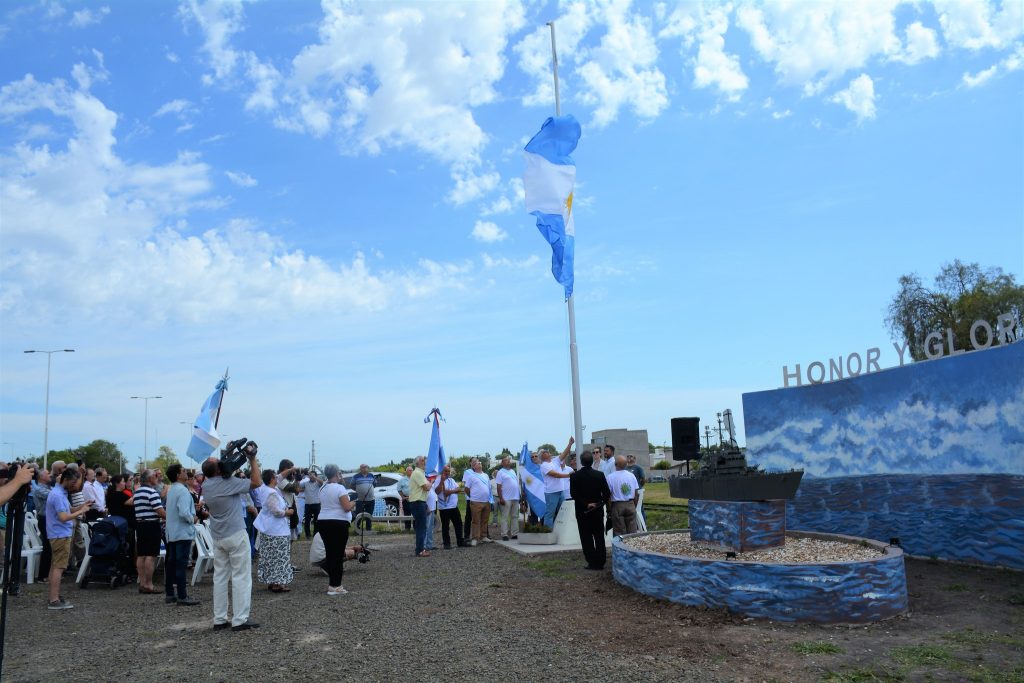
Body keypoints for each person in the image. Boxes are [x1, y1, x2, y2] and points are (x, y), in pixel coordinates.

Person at [202, 449, 262, 631]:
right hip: (235, 533)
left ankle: (219, 618)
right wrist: (252, 459)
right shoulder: (227, 483)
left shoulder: (206, 485)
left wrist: (228, 455)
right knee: (241, 576)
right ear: (219, 470)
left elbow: (222, 470)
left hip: (218, 536)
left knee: (220, 578)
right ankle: (240, 619)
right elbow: (256, 482)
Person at [45, 468, 90, 609]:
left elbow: (69, 510)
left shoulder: (61, 493)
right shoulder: (58, 495)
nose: (76, 486)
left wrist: (82, 506)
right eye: (74, 483)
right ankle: (54, 600)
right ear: (67, 480)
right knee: (59, 567)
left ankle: (54, 595)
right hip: (60, 534)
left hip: (58, 534)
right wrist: (81, 511)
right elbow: (63, 517)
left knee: (55, 565)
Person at [164, 464, 200, 606]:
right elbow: (184, 512)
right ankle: (182, 596)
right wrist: (193, 518)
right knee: (180, 565)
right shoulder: (183, 491)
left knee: (171, 564)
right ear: (178, 475)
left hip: (172, 532)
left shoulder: (172, 490)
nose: (186, 472)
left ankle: (170, 593)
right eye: (184, 471)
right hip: (183, 532)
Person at [569, 452, 611, 571]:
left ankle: (591, 562)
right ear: (592, 461)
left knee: (586, 537)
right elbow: (607, 493)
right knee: (599, 536)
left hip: (582, 512)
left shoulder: (575, 476)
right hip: (597, 512)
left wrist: (586, 504)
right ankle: (601, 561)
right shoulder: (599, 475)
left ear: (581, 462)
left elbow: (574, 494)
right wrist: (598, 503)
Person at [254, 469, 295, 593]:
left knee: (270, 556)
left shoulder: (263, 488)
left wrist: (291, 470)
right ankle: (277, 583)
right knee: (279, 557)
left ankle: (272, 580)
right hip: (276, 529)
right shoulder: (271, 492)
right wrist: (288, 512)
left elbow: (280, 476)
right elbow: (276, 511)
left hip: (268, 528)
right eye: (275, 477)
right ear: (272, 479)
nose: (277, 479)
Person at [318, 464, 355, 595]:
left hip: (323, 521)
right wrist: (354, 502)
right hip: (338, 522)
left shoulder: (322, 488)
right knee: (338, 554)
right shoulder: (340, 488)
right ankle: (336, 585)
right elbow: (346, 507)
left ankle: (332, 584)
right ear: (337, 474)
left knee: (330, 552)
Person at [133, 468, 166, 594]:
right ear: (150, 478)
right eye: (155, 475)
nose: (157, 477)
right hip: (151, 524)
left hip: (140, 524)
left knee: (141, 555)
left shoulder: (137, 492)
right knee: (150, 556)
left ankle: (142, 583)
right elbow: (160, 511)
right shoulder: (152, 492)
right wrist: (172, 517)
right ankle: (149, 584)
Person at [539, 437, 574, 528]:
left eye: (546, 451)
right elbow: (555, 475)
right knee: (550, 513)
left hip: (560, 491)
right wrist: (568, 475)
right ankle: (548, 532)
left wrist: (570, 444)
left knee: (563, 512)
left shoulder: (555, 461)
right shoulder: (544, 465)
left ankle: (561, 531)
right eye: (544, 452)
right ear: (542, 456)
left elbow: (564, 454)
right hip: (551, 492)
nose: (547, 452)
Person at [606, 455, 640, 536]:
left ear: (615, 464)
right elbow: (636, 494)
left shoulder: (610, 477)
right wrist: (633, 505)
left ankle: (621, 548)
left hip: (617, 506)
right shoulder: (631, 476)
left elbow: (608, 496)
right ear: (626, 464)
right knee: (632, 532)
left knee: (619, 532)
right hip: (630, 504)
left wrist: (609, 510)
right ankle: (631, 548)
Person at [462, 458, 492, 546]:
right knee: (475, 521)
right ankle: (475, 538)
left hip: (486, 501)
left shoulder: (486, 475)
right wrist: (472, 496)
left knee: (485, 520)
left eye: (480, 462)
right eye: (477, 463)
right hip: (476, 502)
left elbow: (489, 487)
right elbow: (466, 489)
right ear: (474, 467)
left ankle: (484, 536)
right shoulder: (471, 476)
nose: (479, 463)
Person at [30, 466, 52, 582]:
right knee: (47, 547)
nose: (50, 476)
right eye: (48, 474)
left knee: (50, 546)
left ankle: (47, 573)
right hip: (44, 519)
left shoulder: (48, 487)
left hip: (48, 519)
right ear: (41, 477)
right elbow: (53, 496)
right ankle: (42, 575)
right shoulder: (39, 489)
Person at [435, 465, 465, 549]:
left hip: (454, 507)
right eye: (445, 471)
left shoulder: (451, 480)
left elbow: (459, 489)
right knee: (445, 526)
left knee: (458, 524)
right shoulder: (438, 480)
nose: (447, 473)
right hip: (444, 508)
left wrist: (450, 492)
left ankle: (460, 542)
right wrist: (441, 481)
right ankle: (447, 544)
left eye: (448, 471)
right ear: (442, 471)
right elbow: (437, 491)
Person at [408, 456, 431, 556]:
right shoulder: (418, 473)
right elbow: (426, 487)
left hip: (419, 502)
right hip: (418, 503)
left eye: (424, 460)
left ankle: (420, 549)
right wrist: (432, 482)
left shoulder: (420, 473)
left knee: (421, 527)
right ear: (417, 463)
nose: (425, 462)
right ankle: (420, 551)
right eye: (422, 460)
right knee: (421, 527)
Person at [495, 456, 520, 541]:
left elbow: (516, 483)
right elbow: (499, 486)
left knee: (515, 516)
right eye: (506, 461)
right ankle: (504, 534)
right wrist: (501, 498)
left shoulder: (513, 471)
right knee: (505, 516)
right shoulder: (500, 472)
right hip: (506, 498)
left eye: (509, 461)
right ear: (502, 463)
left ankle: (514, 533)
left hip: (515, 497)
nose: (508, 462)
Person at [276, 460, 300, 542]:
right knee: (286, 532)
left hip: (292, 506)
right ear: (285, 468)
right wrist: (297, 479)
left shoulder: (289, 480)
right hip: (285, 508)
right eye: (290, 469)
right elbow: (293, 488)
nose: (292, 472)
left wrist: (295, 479)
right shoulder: (279, 479)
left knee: (292, 530)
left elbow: (297, 491)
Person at [351, 464, 376, 532]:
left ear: (367, 468)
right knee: (358, 514)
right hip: (360, 499)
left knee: (369, 514)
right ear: (360, 469)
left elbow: (374, 484)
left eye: (365, 467)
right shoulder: (356, 476)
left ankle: (368, 528)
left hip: (371, 499)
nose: (364, 469)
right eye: (362, 468)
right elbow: (351, 485)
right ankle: (357, 529)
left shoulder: (371, 475)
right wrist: (359, 490)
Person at [299, 469, 323, 539]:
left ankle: (316, 534)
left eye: (313, 475)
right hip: (308, 505)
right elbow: (299, 485)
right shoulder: (305, 483)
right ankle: (307, 535)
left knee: (317, 520)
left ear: (316, 476)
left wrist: (315, 477)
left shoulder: (318, 483)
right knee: (307, 520)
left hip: (317, 504)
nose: (311, 476)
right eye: (310, 475)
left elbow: (322, 483)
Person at [626, 454, 646, 524]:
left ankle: (643, 523)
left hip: (637, 491)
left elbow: (643, 479)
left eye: (631, 456)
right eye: (628, 456)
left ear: (634, 459)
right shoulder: (625, 468)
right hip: (628, 492)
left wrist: (640, 486)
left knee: (639, 508)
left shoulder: (638, 468)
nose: (629, 458)